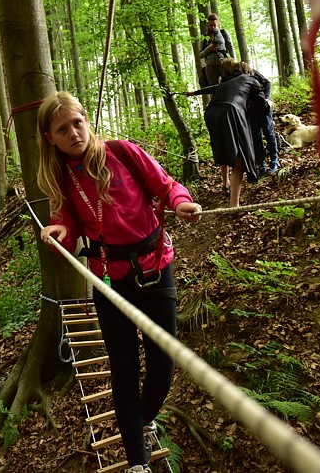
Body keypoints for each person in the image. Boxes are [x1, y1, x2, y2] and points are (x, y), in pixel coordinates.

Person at [37, 91, 201, 473]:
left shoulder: (122, 152)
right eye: (62, 129)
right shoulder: (61, 177)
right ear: (51, 137)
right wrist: (62, 227)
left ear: (86, 120)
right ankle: (136, 461)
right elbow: (70, 220)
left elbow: (165, 186)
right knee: (124, 368)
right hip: (109, 279)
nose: (73, 133)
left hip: (154, 267)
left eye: (77, 122)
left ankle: (140, 419)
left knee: (163, 364)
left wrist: (180, 203)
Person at [186, 58, 266, 208]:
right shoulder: (250, 79)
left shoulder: (225, 83)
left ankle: (225, 182)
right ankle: (234, 205)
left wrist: (194, 93)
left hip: (211, 113)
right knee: (240, 157)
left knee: (224, 146)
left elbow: (212, 88)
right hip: (231, 111)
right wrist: (268, 103)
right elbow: (262, 104)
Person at [239, 62, 279, 176]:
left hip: (264, 106)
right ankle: (261, 164)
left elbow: (267, 83)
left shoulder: (254, 74)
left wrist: (267, 99)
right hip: (251, 110)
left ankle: (274, 160)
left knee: (268, 131)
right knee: (256, 136)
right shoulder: (238, 80)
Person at [199, 13, 235, 87]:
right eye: (210, 25)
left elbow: (230, 47)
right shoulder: (204, 37)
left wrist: (234, 61)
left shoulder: (224, 33)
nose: (213, 27)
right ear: (207, 25)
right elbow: (200, 55)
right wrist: (208, 49)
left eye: (214, 25)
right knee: (213, 90)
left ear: (217, 23)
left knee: (227, 87)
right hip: (210, 66)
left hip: (224, 64)